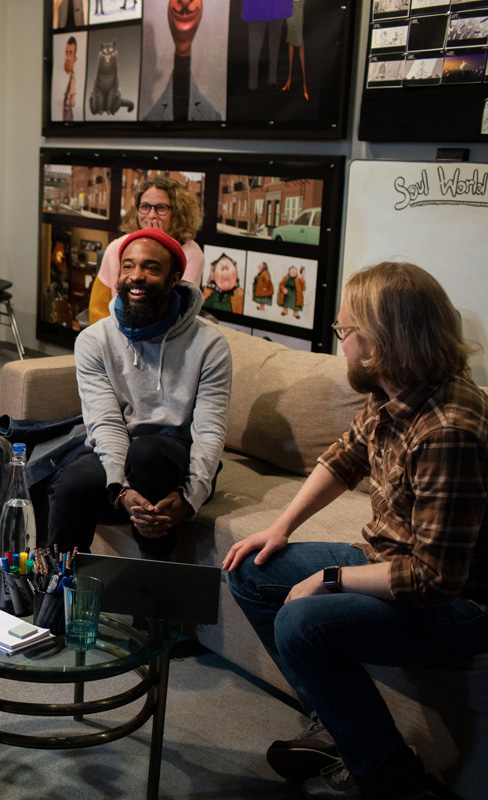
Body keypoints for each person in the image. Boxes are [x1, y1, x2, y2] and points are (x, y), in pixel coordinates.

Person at [224, 262, 488, 799]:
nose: (339, 342)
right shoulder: (392, 388)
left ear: (382, 340)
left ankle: (387, 770)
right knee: (251, 568)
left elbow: (434, 579)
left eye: (346, 332)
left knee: (302, 623)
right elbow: (344, 458)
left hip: (460, 606)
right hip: (389, 560)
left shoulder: (448, 432)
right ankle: (335, 725)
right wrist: (278, 528)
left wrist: (331, 577)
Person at [34, 228, 231, 559]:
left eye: (151, 268)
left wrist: (191, 496)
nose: (136, 276)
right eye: (128, 266)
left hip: (175, 455)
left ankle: (152, 594)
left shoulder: (210, 346)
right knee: (69, 487)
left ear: (175, 279)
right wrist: (120, 490)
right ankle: (58, 600)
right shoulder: (94, 341)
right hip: (120, 449)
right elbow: (106, 420)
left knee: (150, 453)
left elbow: (209, 430)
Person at [87, 176, 205, 325]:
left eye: (161, 208)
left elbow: (177, 309)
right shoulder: (116, 247)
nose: (151, 215)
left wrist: (159, 241)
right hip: (118, 332)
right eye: (145, 207)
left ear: (178, 212)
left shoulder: (191, 253)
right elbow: (98, 308)